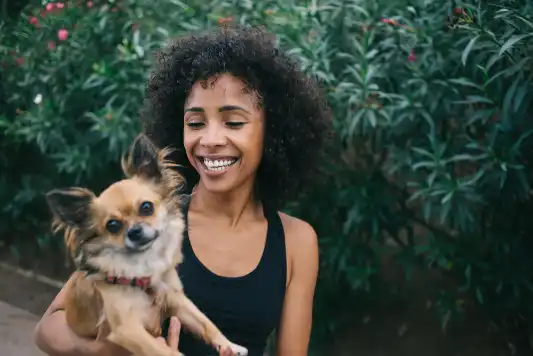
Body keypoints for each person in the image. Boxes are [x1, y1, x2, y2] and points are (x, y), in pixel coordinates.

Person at [34, 24, 331, 356]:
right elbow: (49, 326)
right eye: (195, 123)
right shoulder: (149, 222)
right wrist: (103, 351)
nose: (211, 140)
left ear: (273, 132)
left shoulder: (296, 242)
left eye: (233, 122)